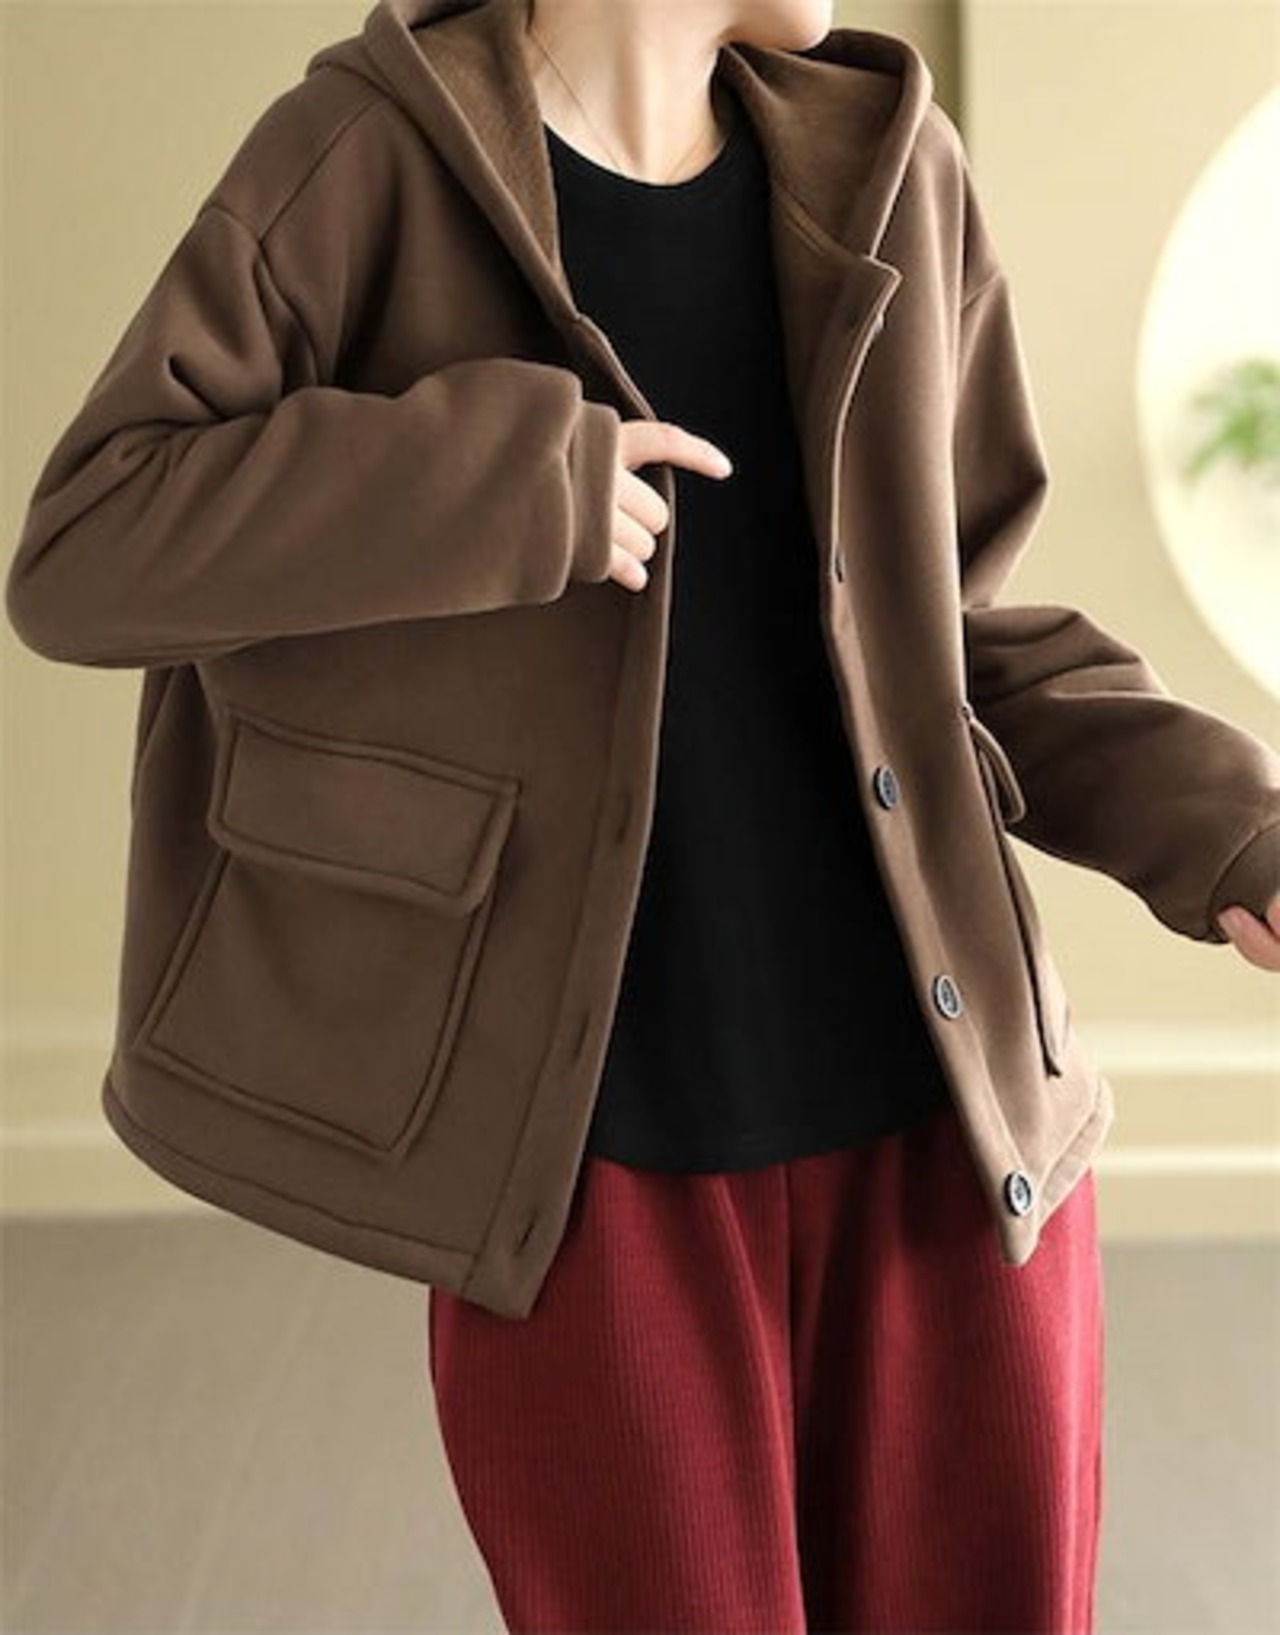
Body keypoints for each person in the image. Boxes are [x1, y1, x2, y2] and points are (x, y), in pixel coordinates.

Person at [7, 0, 1278, 1631]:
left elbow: (959, 636)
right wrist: (500, 483)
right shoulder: (369, 154)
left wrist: (1231, 826)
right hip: (590, 1158)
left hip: (953, 1132)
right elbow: (89, 545)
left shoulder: (894, 170)